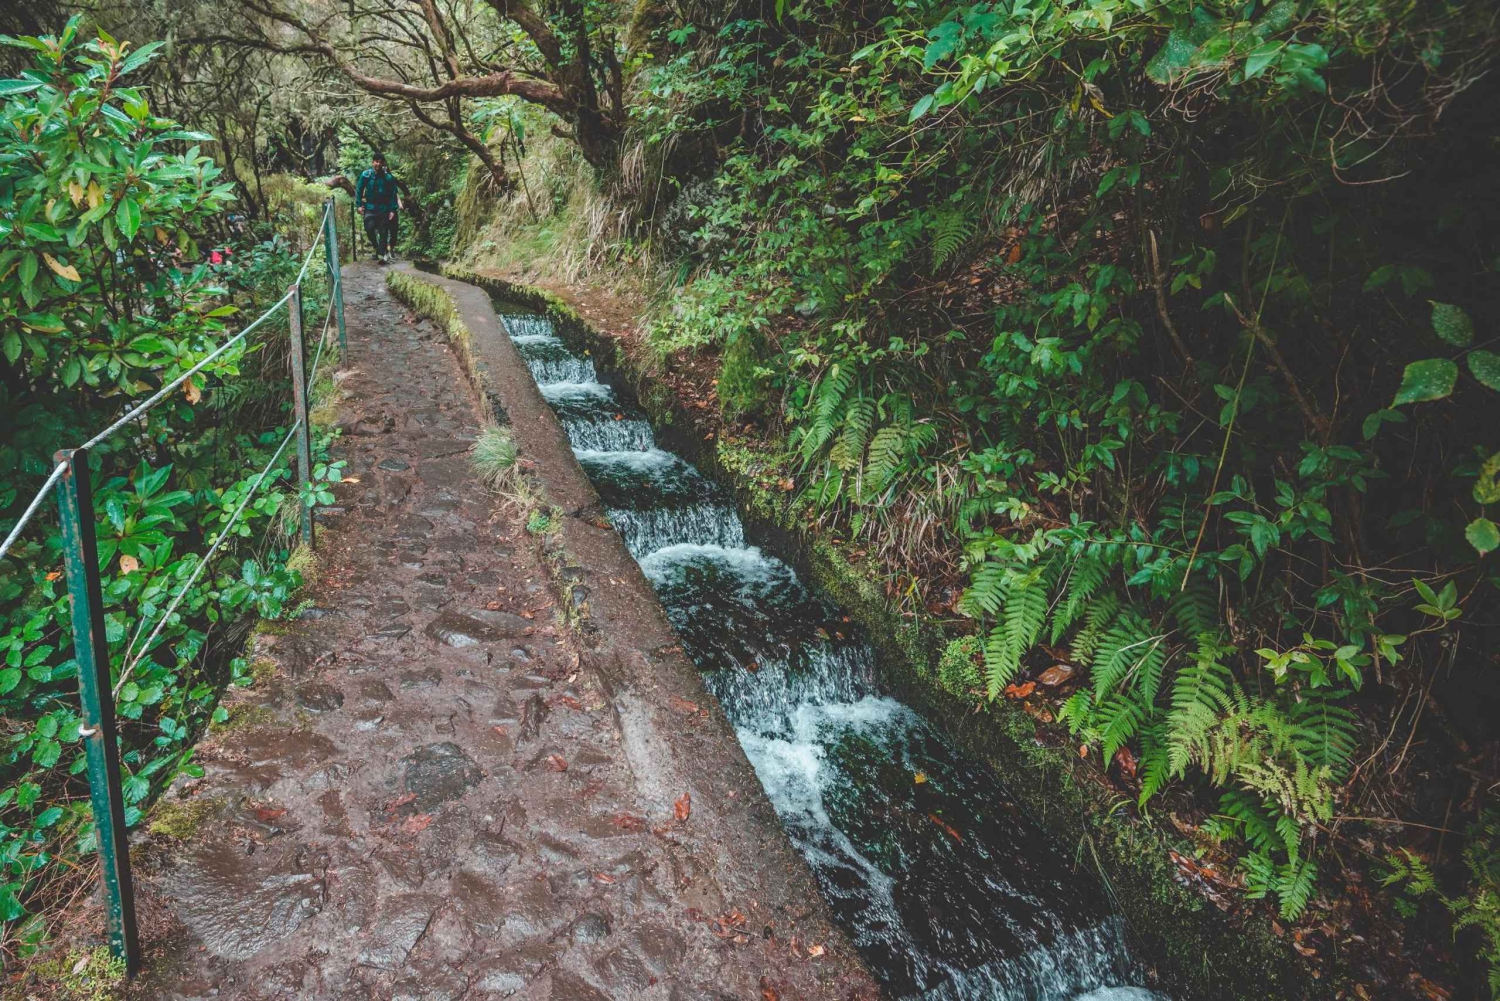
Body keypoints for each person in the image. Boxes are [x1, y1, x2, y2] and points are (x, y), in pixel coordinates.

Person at [356, 152, 402, 263]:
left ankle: (382, 254)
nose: (378, 164)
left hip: (383, 208)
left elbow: (393, 194)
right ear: (373, 163)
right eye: (376, 162)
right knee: (369, 227)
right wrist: (359, 205)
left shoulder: (388, 178)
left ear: (383, 164)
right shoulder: (366, 175)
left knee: (383, 231)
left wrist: (392, 210)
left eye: (380, 162)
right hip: (370, 207)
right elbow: (359, 190)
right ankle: (376, 247)